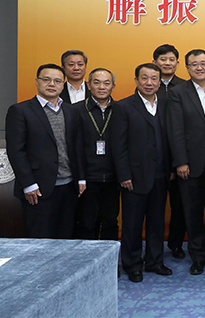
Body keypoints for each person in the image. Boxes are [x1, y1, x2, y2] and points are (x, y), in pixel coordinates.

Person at [167, 49, 205, 275]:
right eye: (194, 64)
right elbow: (175, 129)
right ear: (187, 68)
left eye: (203, 63)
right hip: (189, 164)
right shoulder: (177, 92)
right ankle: (197, 256)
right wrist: (180, 162)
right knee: (192, 212)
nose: (199, 67)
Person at [6, 63, 84, 239]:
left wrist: (81, 178)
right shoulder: (20, 110)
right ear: (37, 81)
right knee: (41, 240)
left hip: (69, 187)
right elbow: (16, 151)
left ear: (63, 85)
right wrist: (29, 184)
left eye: (57, 81)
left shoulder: (71, 111)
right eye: (46, 79)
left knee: (66, 238)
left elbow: (77, 147)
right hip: (38, 189)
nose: (51, 84)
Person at [112, 63, 172, 282]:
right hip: (134, 177)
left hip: (161, 174)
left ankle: (155, 261)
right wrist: (124, 175)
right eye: (144, 78)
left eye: (154, 78)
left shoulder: (166, 104)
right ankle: (132, 264)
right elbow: (118, 145)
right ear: (136, 80)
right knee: (132, 224)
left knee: (157, 221)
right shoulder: (123, 106)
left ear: (159, 82)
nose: (149, 83)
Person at [74, 68, 120, 241]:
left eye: (106, 83)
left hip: (113, 178)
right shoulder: (76, 110)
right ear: (88, 85)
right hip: (88, 178)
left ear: (113, 86)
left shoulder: (121, 109)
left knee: (110, 221)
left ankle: (110, 257)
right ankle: (87, 258)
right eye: (97, 82)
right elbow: (74, 147)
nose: (102, 87)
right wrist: (80, 177)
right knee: (87, 222)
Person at [153, 44, 187, 259]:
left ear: (177, 63)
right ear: (155, 62)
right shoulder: (148, 85)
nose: (167, 63)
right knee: (154, 206)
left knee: (179, 205)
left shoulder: (185, 87)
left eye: (171, 59)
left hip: (179, 157)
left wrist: (179, 161)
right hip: (154, 157)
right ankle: (154, 248)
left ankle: (176, 244)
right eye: (163, 59)